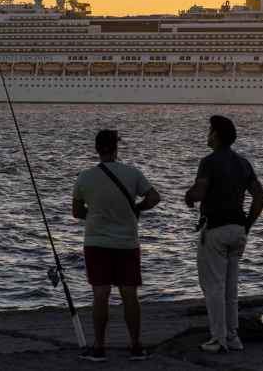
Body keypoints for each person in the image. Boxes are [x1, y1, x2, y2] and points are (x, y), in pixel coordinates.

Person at [73, 129, 161, 362]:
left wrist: (95, 216)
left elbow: (76, 211)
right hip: (127, 243)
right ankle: (136, 347)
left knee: (100, 294)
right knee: (129, 294)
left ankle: (99, 348)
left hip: (95, 242)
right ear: (116, 148)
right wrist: (136, 209)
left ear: (96, 149)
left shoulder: (84, 177)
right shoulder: (132, 173)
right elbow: (154, 198)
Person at [184, 115, 263, 353]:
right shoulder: (243, 163)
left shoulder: (208, 162)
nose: (207, 135)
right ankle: (233, 337)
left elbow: (199, 192)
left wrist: (188, 197)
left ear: (217, 136)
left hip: (216, 231)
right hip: (238, 230)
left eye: (210, 131)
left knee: (213, 287)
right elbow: (260, 197)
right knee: (231, 290)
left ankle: (217, 339)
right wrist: (247, 225)